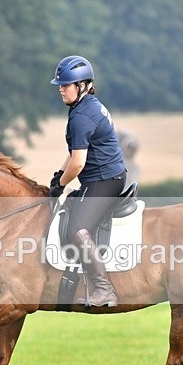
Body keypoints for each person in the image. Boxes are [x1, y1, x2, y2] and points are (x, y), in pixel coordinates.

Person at [48, 55, 126, 307]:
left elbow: (79, 163)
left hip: (105, 180)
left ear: (82, 85)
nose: (61, 88)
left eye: (66, 84)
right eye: (60, 84)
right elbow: (73, 154)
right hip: (102, 178)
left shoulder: (82, 116)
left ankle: (104, 289)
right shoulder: (86, 107)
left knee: (77, 229)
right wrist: (58, 176)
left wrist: (61, 185)